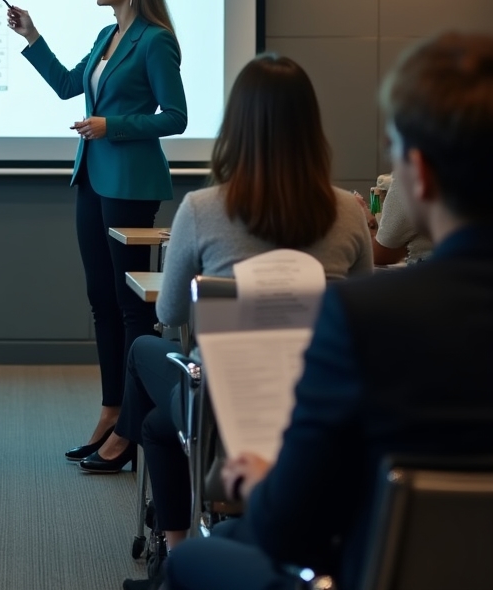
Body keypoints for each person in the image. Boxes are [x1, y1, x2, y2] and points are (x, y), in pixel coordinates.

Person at [165, 31, 493, 590]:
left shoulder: (366, 318)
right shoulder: (349, 242)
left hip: (368, 565)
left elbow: (293, 531)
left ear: (420, 173)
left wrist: (265, 486)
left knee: (192, 562)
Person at [108, 54, 373, 589]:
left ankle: (174, 557)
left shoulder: (204, 209)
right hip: (321, 403)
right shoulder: (348, 210)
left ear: (236, 127)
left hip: (225, 403)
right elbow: (361, 306)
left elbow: (169, 314)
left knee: (144, 360)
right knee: (162, 422)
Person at [7, 0, 187, 463]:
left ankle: (131, 428)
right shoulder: (107, 35)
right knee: (102, 302)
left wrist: (114, 126)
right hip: (92, 179)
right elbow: (68, 84)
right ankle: (111, 410)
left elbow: (174, 117)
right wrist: (32, 35)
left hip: (131, 183)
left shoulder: (156, 41)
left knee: (132, 309)